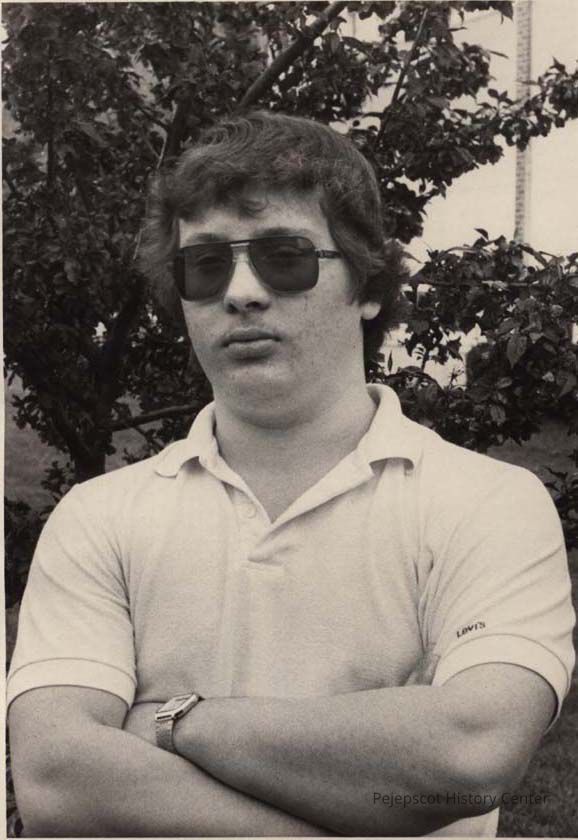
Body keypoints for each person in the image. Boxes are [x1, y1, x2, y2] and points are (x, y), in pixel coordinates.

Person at [7, 112, 575, 838]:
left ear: (368, 286)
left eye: (285, 257)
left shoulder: (489, 503)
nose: (241, 292)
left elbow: (469, 756)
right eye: (206, 265)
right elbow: (57, 782)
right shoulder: (98, 517)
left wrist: (177, 723)